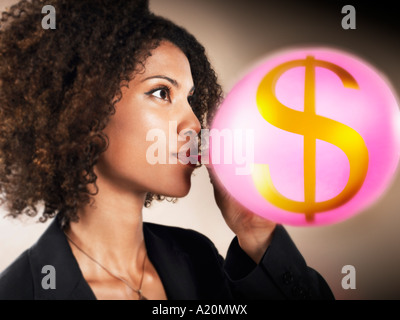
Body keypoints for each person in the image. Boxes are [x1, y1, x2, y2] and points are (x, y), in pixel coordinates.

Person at [0, 0, 334, 300]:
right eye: (161, 93)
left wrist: (256, 233)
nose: (194, 123)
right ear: (83, 110)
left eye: (190, 99)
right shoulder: (20, 292)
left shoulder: (197, 258)